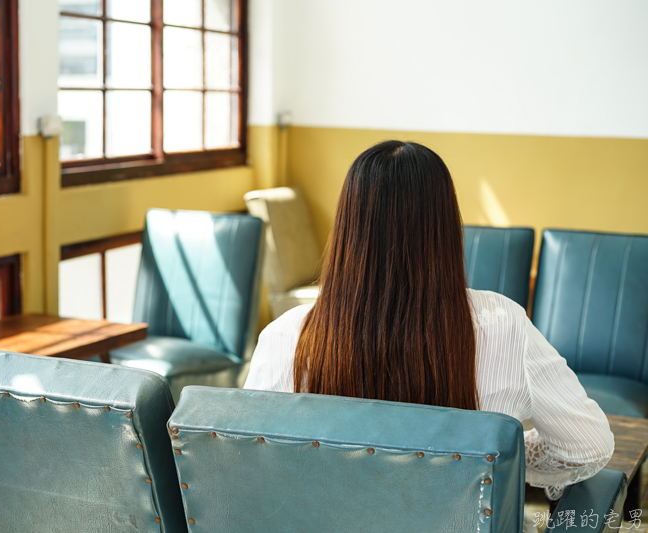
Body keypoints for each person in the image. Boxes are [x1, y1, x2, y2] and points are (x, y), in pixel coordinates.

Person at [244, 140, 614, 511]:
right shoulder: (505, 326)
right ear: (446, 226)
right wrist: (504, 455)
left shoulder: (286, 336)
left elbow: (250, 457)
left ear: (346, 228)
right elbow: (587, 446)